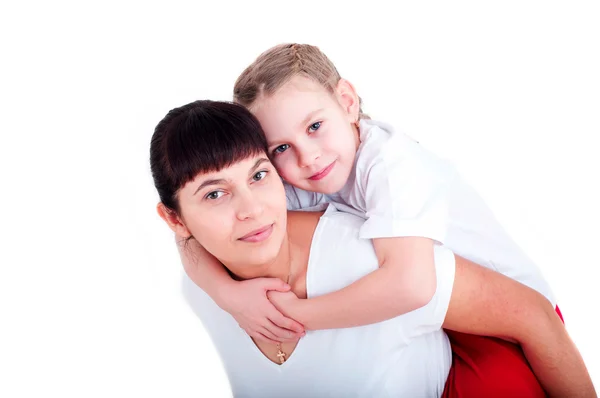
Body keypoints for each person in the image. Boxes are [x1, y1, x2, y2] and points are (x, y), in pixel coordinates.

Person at [151, 100, 594, 397]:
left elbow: (533, 316)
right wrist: (225, 293)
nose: (251, 209)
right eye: (215, 194)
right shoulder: (201, 290)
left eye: (259, 176)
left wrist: (299, 314)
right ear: (174, 218)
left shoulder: (368, 248)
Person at [180, 43, 559, 347]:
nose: (307, 157)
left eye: (315, 126)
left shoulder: (392, 164)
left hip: (511, 318)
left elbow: (412, 285)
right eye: (280, 147)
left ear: (347, 102)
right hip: (439, 323)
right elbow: (188, 235)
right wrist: (228, 295)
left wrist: (294, 315)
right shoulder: (292, 179)